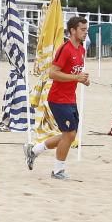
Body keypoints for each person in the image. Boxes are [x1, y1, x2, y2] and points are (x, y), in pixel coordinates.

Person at [24, 16, 90, 180]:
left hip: (70, 98)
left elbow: (74, 73)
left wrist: (83, 79)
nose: (85, 32)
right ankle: (57, 171)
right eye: (82, 29)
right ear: (73, 30)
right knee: (68, 134)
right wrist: (76, 78)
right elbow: (53, 73)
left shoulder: (81, 50)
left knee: (70, 135)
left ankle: (34, 150)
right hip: (58, 98)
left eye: (86, 29)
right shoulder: (65, 49)